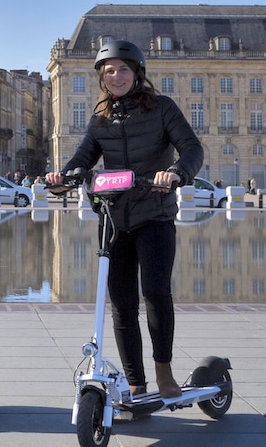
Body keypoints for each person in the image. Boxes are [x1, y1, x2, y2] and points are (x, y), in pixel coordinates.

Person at [45, 39, 203, 399]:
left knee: (156, 292)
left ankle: (163, 371)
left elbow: (192, 147)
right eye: (109, 71)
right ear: (102, 77)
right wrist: (61, 180)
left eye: (123, 69)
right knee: (121, 303)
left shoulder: (163, 109)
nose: (116, 76)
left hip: (155, 214)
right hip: (114, 219)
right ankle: (136, 381)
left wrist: (176, 172)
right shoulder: (100, 119)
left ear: (138, 74)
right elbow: (82, 160)